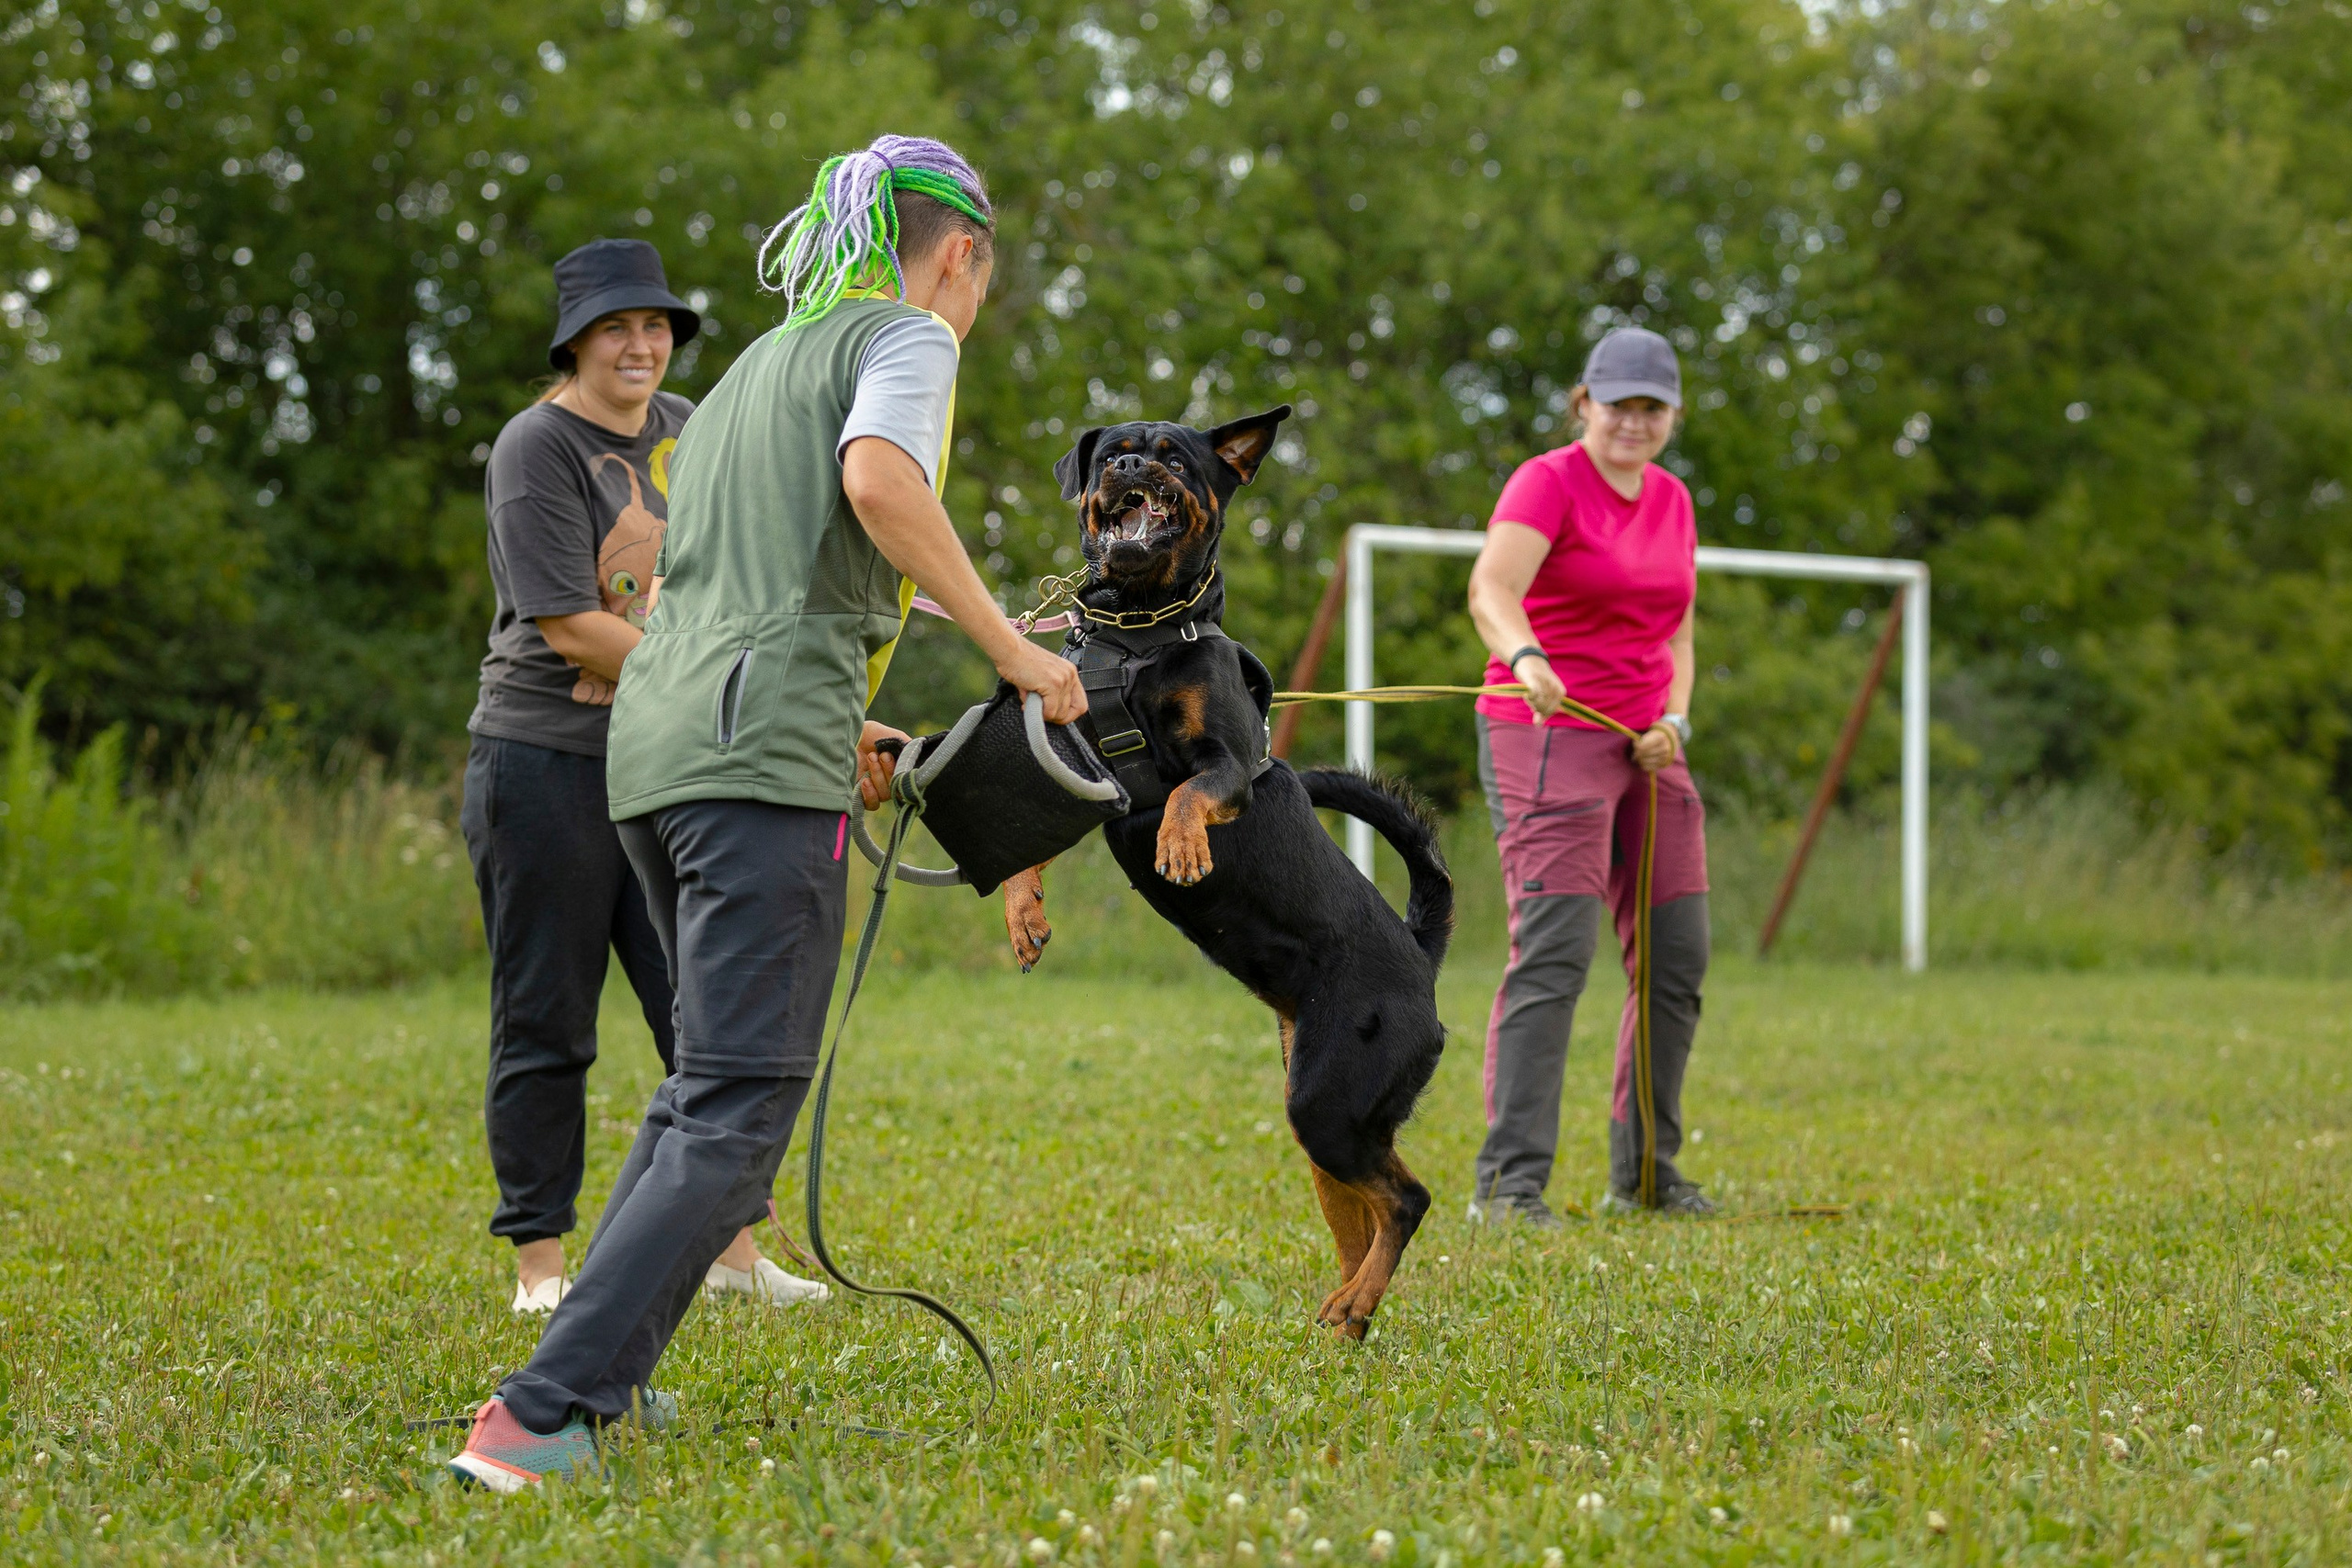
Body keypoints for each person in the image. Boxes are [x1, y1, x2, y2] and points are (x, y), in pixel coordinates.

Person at [448, 136, 1087, 1491]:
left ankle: (591, 1377)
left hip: (657, 748)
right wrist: (1010, 648)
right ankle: (537, 1415)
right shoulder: (906, 341)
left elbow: (736, 573)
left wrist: (855, 687)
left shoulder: (742, 377)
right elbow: (877, 487)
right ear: (960, 252)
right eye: (984, 274)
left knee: (702, 1088)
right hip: (752, 755)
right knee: (741, 1094)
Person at [460, 237, 826, 1318]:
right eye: (617, 327)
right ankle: (540, 1269)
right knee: (546, 1018)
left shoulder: (694, 429)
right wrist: (733, 681)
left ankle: (733, 1255)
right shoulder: (537, 446)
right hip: (546, 767)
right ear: (575, 341)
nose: (641, 344)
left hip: (669, 759)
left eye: (656, 325)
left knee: (704, 1015)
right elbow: (573, 625)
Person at [1462, 325, 1715, 1225]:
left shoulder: (1673, 501)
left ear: (1671, 414)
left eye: (1651, 407)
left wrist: (1673, 721)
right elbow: (1491, 588)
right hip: (1545, 731)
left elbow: (1676, 633)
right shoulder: (1548, 481)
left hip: (1645, 745)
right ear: (1585, 403)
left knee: (1677, 957)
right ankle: (1508, 1187)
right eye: (1618, 404)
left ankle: (1645, 1175)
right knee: (1557, 953)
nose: (1632, 422)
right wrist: (1525, 654)